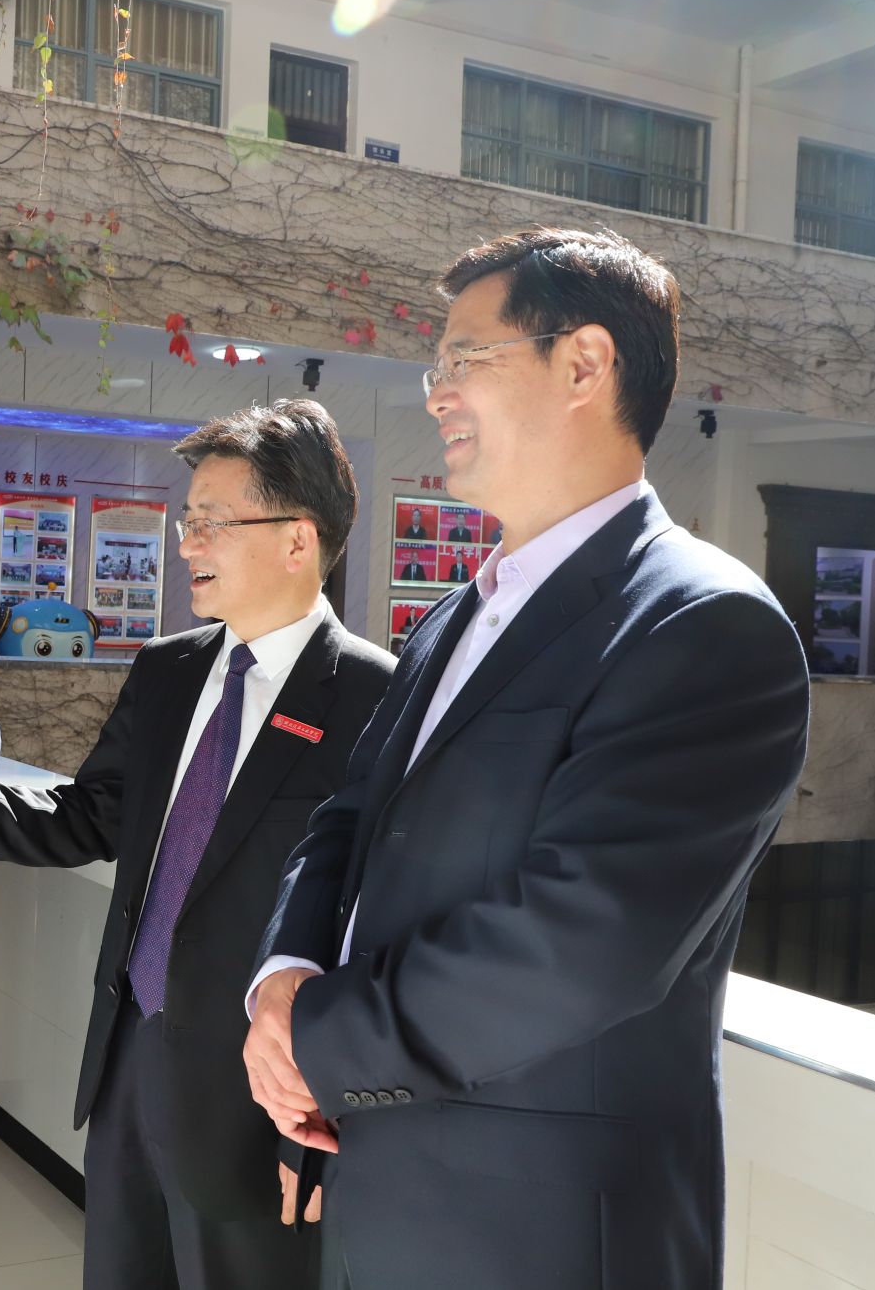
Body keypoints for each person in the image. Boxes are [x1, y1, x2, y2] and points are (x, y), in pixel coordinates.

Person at [243, 228, 811, 1290]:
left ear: (584, 364)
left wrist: (315, 1041)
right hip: (374, 1186)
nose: (436, 393)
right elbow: (349, 822)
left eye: (465, 357)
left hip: (542, 1235)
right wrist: (282, 978)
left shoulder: (704, 625)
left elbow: (579, 945)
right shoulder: (454, 616)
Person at [0, 402, 392, 1290]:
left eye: (212, 521)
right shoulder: (169, 669)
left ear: (297, 538)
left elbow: (367, 926)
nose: (186, 541)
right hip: (128, 1059)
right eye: (187, 518)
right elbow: (92, 814)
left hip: (257, 1099)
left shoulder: (371, 698)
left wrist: (315, 1118)